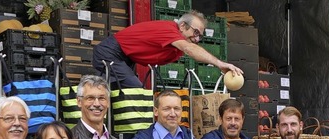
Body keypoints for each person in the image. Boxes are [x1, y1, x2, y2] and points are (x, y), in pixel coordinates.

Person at [93, 10, 242, 87]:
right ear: (183, 26)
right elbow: (190, 49)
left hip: (126, 58)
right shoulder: (169, 30)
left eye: (200, 36)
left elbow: (192, 50)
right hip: (111, 52)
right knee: (135, 90)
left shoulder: (177, 44)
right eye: (195, 32)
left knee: (116, 92)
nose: (196, 39)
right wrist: (220, 63)